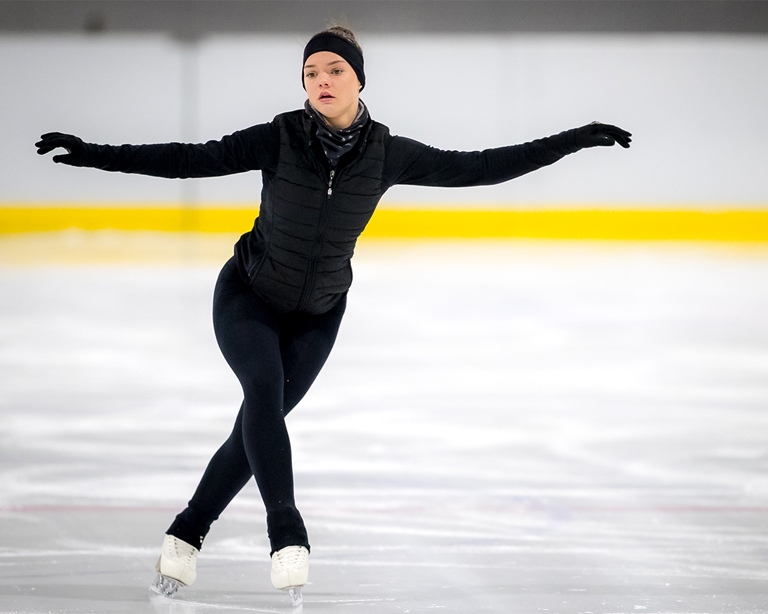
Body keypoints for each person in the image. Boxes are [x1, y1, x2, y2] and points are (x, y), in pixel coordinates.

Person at [36, 25, 631, 606]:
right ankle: (286, 532)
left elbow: (479, 167)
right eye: (311, 72)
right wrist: (94, 155)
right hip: (248, 295)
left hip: (319, 313)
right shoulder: (279, 137)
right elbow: (190, 159)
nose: (321, 80)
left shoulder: (388, 154)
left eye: (334, 70)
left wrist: (572, 139)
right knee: (264, 395)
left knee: (255, 427)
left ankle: (185, 535)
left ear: (359, 81)